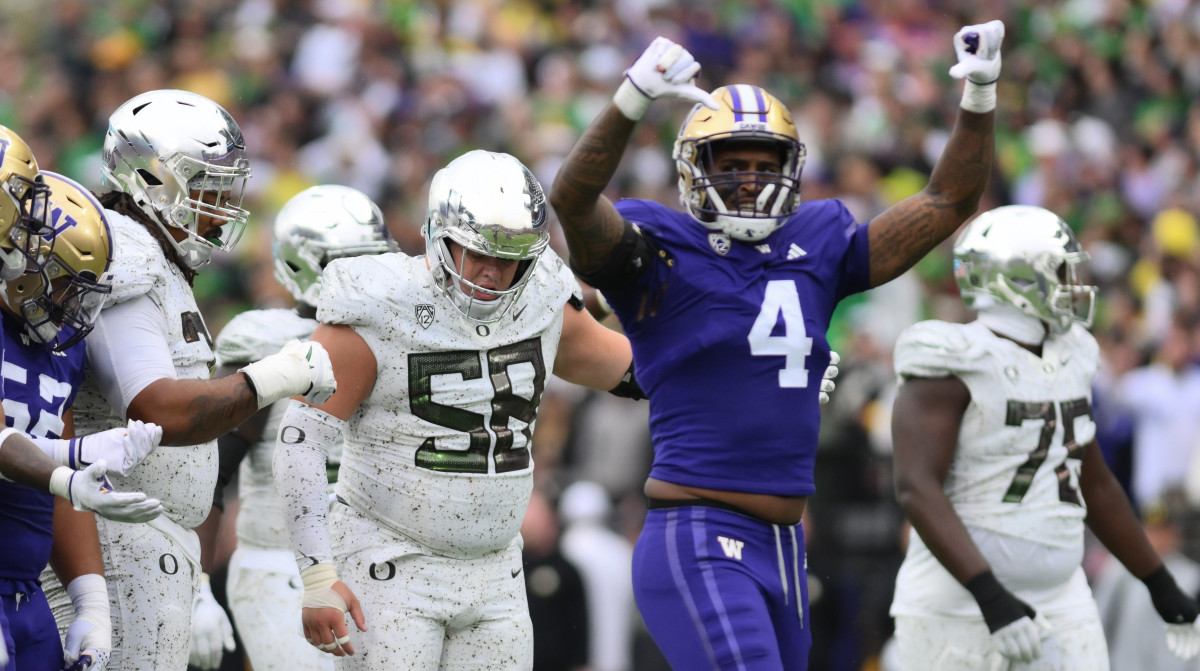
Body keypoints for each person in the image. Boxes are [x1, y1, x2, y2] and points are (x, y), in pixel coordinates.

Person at [547, 22, 1004, 670]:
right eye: (731, 164)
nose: (750, 180)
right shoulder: (659, 252)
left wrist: (979, 92)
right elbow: (573, 201)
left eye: (766, 165)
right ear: (693, 168)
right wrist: (632, 98)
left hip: (785, 543)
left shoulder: (819, 240)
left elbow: (949, 198)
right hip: (698, 533)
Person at [274, 149, 644, 669]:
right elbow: (299, 441)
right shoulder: (381, 300)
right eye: (478, 252)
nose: (492, 273)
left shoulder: (541, 298)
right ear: (439, 236)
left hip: (496, 570)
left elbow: (637, 373)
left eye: (509, 256)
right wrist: (316, 575)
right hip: (391, 561)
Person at [38, 89, 336, 671]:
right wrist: (273, 376)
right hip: (115, 539)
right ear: (151, 179)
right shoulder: (125, 254)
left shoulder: (158, 257)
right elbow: (158, 410)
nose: (221, 207)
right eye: (207, 188)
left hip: (142, 539)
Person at [889, 205, 1200, 669]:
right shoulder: (952, 358)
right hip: (959, 604)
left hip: (1060, 596)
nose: (1074, 284)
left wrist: (1158, 582)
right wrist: (987, 593)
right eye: (1060, 270)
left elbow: (1094, 483)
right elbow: (916, 486)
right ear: (1015, 279)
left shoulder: (1071, 355)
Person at [201, 184, 396, 671]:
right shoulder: (266, 340)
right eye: (349, 263)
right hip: (280, 568)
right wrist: (196, 586)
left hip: (377, 568)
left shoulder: (400, 335)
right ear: (302, 266)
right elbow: (210, 472)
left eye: (375, 260)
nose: (365, 277)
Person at [0, 171, 164, 671]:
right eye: (67, 288)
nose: (74, 308)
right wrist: (75, 459)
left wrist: (91, 603)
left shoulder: (60, 352)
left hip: (25, 593)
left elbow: (62, 489)